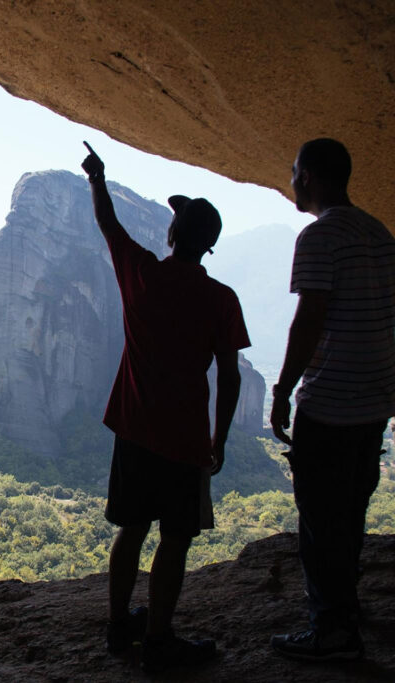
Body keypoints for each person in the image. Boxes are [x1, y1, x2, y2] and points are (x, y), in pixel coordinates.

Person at [81, 142, 250, 673]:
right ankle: (157, 638)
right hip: (184, 439)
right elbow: (229, 373)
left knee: (130, 530)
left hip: (133, 428)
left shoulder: (143, 274)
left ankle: (116, 627)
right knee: (175, 538)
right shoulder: (221, 299)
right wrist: (219, 440)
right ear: (210, 246)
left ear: (172, 236)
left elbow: (110, 226)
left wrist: (98, 178)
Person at [269, 138, 395, 660]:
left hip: (329, 401)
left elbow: (310, 319)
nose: (292, 180)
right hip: (373, 399)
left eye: (296, 171)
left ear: (312, 177)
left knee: (320, 519)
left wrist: (282, 390)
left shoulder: (319, 238)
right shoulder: (381, 234)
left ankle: (332, 632)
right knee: (350, 511)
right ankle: (345, 608)